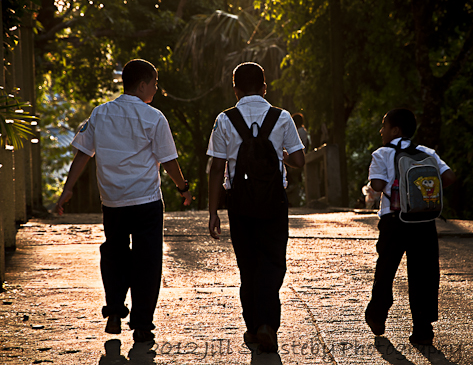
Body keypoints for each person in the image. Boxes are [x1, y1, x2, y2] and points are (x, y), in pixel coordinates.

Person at [55, 59, 192, 343]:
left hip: (113, 202)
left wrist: (67, 190)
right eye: (154, 83)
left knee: (115, 253)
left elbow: (82, 154)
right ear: (142, 85)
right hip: (146, 201)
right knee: (148, 260)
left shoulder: (100, 114)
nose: (156, 88)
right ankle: (142, 324)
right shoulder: (154, 117)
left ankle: (115, 310)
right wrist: (183, 187)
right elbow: (169, 161)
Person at [207, 62, 305, 353]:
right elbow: (299, 161)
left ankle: (252, 327)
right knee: (272, 263)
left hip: (239, 204)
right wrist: (282, 156)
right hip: (274, 202)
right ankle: (268, 325)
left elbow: (216, 168)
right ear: (265, 87)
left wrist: (213, 211)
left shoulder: (225, 119)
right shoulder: (282, 117)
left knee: (247, 265)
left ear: (235, 89)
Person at [364, 108, 456, 346]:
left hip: (394, 220)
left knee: (386, 268)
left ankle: (377, 313)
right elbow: (448, 178)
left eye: (384, 125)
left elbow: (376, 184)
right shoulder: (427, 152)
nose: (381, 130)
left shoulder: (382, 153)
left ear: (395, 130)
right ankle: (422, 329)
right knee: (423, 273)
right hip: (424, 221)